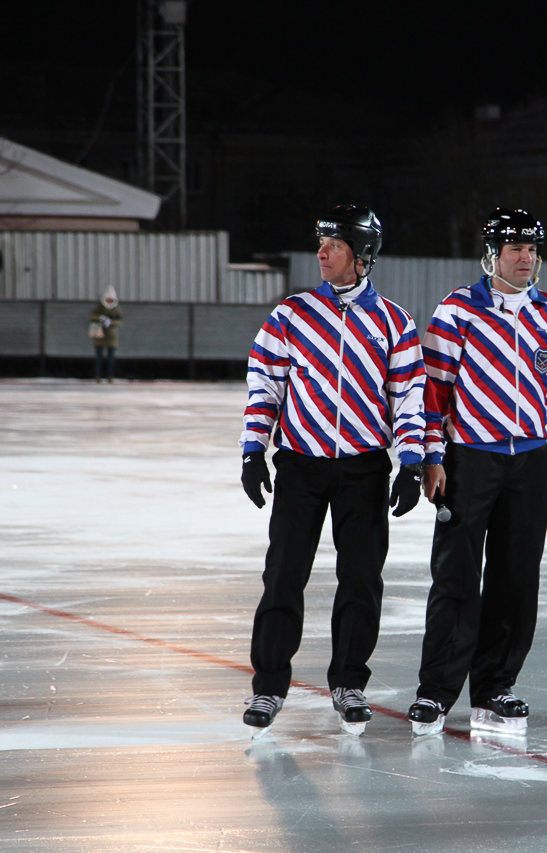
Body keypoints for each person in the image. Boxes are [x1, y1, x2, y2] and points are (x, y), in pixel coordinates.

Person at [239, 205, 426, 737]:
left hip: (364, 469)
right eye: (320, 243)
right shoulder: (291, 315)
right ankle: (269, 687)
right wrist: (254, 451)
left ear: (362, 255)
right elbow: (265, 387)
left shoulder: (394, 321)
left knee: (362, 581)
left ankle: (349, 682)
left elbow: (409, 398)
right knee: (283, 577)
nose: (322, 253)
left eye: (335, 244)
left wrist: (410, 463)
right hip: (300, 466)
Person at [407, 209, 547, 737]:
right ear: (492, 255)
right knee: (457, 578)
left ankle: (493, 689)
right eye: (515, 248)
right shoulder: (457, 311)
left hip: (528, 462)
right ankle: (436, 694)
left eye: (532, 248)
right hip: (469, 459)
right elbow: (433, 392)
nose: (526, 257)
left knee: (516, 577)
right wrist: (432, 456)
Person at [87, 286, 123, 382]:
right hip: (100, 336)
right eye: (107, 299)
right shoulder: (99, 307)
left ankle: (110, 376)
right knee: (99, 358)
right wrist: (100, 318)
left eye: (110, 299)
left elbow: (120, 321)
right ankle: (98, 376)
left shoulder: (116, 309)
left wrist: (111, 322)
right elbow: (91, 316)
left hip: (111, 337)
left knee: (110, 359)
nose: (109, 301)